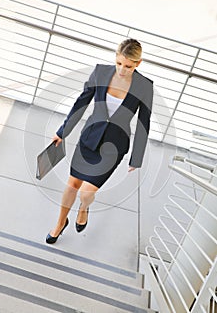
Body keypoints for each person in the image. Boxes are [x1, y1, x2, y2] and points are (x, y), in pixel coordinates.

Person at [46, 38, 153, 244]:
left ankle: (84, 207)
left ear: (138, 63)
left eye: (128, 66)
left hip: (114, 147)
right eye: (119, 63)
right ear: (116, 57)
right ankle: (60, 223)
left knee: (86, 193)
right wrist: (63, 132)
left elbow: (143, 123)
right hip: (89, 138)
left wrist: (136, 157)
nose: (122, 69)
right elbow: (81, 103)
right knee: (72, 185)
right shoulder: (101, 72)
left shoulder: (144, 86)